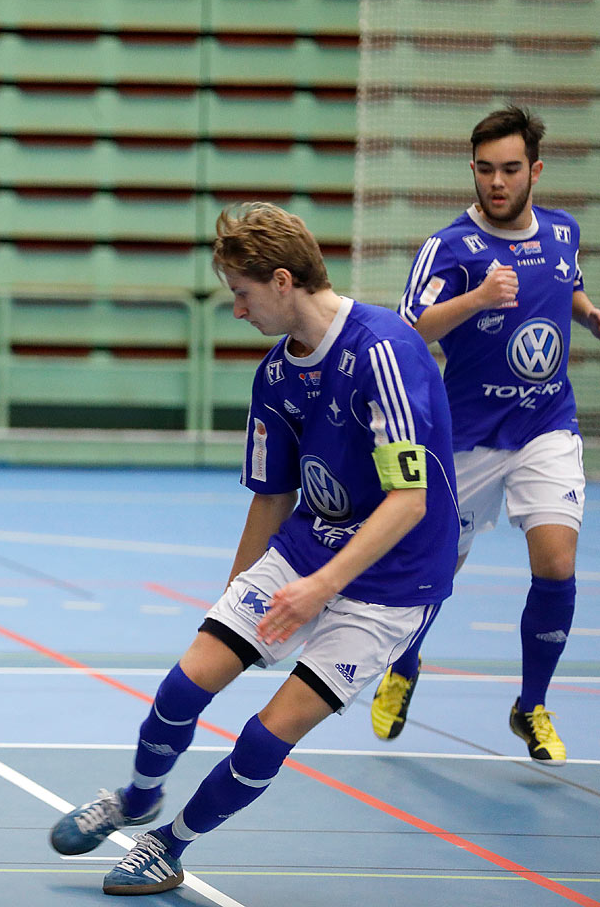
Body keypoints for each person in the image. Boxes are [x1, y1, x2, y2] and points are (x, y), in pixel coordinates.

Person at [48, 203, 459, 895]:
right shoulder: (275, 376)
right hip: (306, 549)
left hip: (396, 581)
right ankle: (139, 794)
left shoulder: (383, 350)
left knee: (269, 733)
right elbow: (271, 497)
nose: (236, 310)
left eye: (241, 293)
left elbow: (410, 500)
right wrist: (234, 596)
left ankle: (169, 844)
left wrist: (323, 586)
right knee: (185, 683)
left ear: (280, 281)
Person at [373, 106, 594, 762]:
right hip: (466, 435)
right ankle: (403, 664)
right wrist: (475, 299)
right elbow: (409, 331)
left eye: (510, 169)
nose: (497, 182)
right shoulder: (450, 248)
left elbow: (569, 290)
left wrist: (591, 316)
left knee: (556, 565)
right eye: (486, 170)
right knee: (435, 575)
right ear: (473, 170)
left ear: (535, 171)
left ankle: (531, 706)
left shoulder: (562, 231)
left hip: (546, 424)